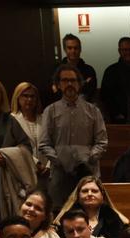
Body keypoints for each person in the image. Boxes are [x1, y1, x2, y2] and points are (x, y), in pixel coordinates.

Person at [40, 63, 107, 206]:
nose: (69, 84)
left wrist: (89, 159)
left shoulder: (93, 111)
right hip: (59, 174)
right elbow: (44, 143)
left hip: (88, 173)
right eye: (65, 80)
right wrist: (59, 161)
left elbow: (102, 142)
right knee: (59, 216)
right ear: (58, 84)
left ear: (79, 83)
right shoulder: (50, 111)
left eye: (73, 80)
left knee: (90, 213)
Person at [54, 175, 128, 238]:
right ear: (78, 196)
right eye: (85, 191)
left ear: (102, 195)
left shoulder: (115, 220)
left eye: (94, 191)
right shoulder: (65, 220)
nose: (89, 194)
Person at [11, 82, 49, 177]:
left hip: (46, 173)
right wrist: (36, 163)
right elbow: (15, 148)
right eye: (25, 96)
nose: (29, 99)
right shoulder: (12, 120)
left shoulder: (45, 119)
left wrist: (48, 166)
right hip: (24, 172)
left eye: (32, 96)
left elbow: (54, 144)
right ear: (18, 97)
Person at [51, 34, 97, 103]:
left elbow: (89, 93)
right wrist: (83, 84)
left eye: (76, 48)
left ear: (80, 49)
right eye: (69, 48)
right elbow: (55, 92)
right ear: (65, 49)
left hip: (83, 109)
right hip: (60, 108)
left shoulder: (89, 70)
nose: (73, 51)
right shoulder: (56, 69)